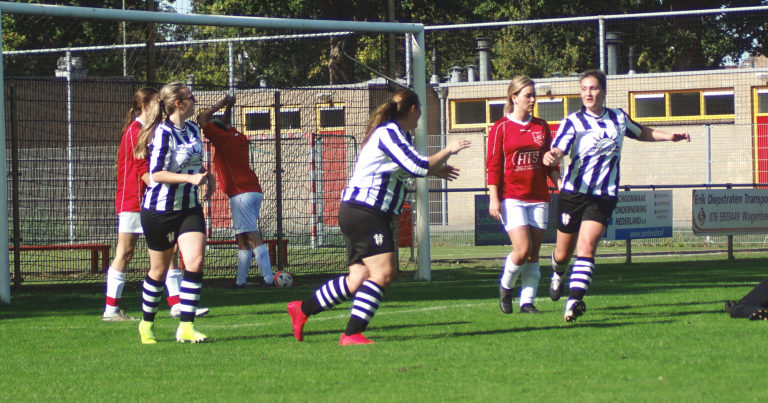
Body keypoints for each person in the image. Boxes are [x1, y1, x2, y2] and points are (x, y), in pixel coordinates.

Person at [287, 89, 470, 345]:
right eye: (420, 112)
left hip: (361, 210)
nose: (420, 119)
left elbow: (403, 169)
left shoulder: (397, 134)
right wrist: (449, 150)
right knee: (384, 272)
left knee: (358, 278)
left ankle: (302, 309)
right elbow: (417, 165)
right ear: (413, 110)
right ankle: (351, 334)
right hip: (366, 211)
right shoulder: (389, 132)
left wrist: (435, 170)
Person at [543, 69, 690, 322]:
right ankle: (558, 271)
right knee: (563, 252)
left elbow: (641, 132)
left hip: (603, 196)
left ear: (604, 91)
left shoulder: (619, 118)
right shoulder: (573, 121)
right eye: (584, 89)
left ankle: (574, 301)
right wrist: (552, 155)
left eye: (593, 88)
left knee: (587, 246)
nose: (588, 93)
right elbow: (559, 149)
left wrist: (669, 137)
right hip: (573, 194)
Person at [104, 87, 208, 321]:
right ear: (145, 107)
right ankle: (111, 309)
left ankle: (178, 305)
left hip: (157, 201)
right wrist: (164, 189)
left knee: (170, 253)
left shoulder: (165, 130)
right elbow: (144, 169)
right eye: (155, 103)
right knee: (125, 252)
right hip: (134, 199)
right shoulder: (136, 130)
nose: (159, 107)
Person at [134, 81, 216, 344]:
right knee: (158, 271)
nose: (195, 101)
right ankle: (146, 325)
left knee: (195, 262)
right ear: (179, 103)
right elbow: (156, 173)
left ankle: (186, 327)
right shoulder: (162, 133)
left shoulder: (193, 128)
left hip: (188, 207)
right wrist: (189, 180)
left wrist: (206, 175)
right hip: (159, 211)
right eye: (191, 98)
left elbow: (193, 161)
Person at [486, 76, 561, 315]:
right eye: (528, 95)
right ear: (514, 97)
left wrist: (561, 183)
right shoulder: (500, 128)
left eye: (533, 95)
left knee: (534, 252)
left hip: (538, 197)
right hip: (512, 197)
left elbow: (548, 163)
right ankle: (506, 288)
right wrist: (494, 198)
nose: (532, 99)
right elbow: (494, 166)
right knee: (522, 248)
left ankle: (527, 302)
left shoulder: (541, 126)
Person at [198, 95, 274, 289]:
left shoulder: (221, 138)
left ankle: (269, 279)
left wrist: (221, 103)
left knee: (251, 236)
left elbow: (202, 119)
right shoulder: (237, 136)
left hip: (241, 194)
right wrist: (230, 108)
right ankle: (240, 281)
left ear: (216, 130)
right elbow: (225, 123)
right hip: (253, 191)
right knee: (241, 238)